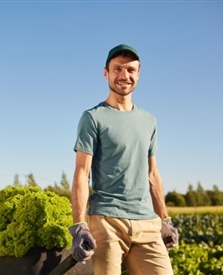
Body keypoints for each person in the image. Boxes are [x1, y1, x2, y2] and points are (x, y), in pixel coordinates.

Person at [68, 44, 179, 275]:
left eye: (130, 70)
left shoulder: (149, 120)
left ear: (138, 74)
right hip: (107, 221)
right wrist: (79, 224)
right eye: (117, 69)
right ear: (105, 72)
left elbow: (152, 174)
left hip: (147, 223)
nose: (124, 75)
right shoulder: (93, 118)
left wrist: (165, 219)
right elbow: (82, 172)